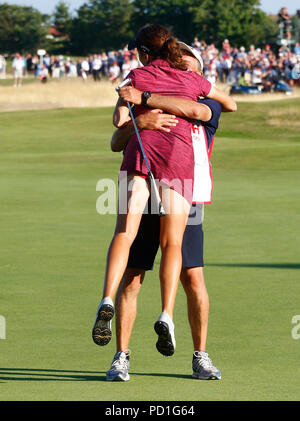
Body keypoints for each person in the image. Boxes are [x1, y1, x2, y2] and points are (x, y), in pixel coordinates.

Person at [103, 43, 236, 382]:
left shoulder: (207, 104)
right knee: (133, 277)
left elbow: (199, 111)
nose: (184, 72)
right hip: (147, 187)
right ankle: (121, 356)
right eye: (180, 67)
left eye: (190, 68)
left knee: (193, 278)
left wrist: (143, 98)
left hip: (186, 197)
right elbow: (116, 142)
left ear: (200, 74)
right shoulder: (160, 92)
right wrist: (140, 123)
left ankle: (200, 356)